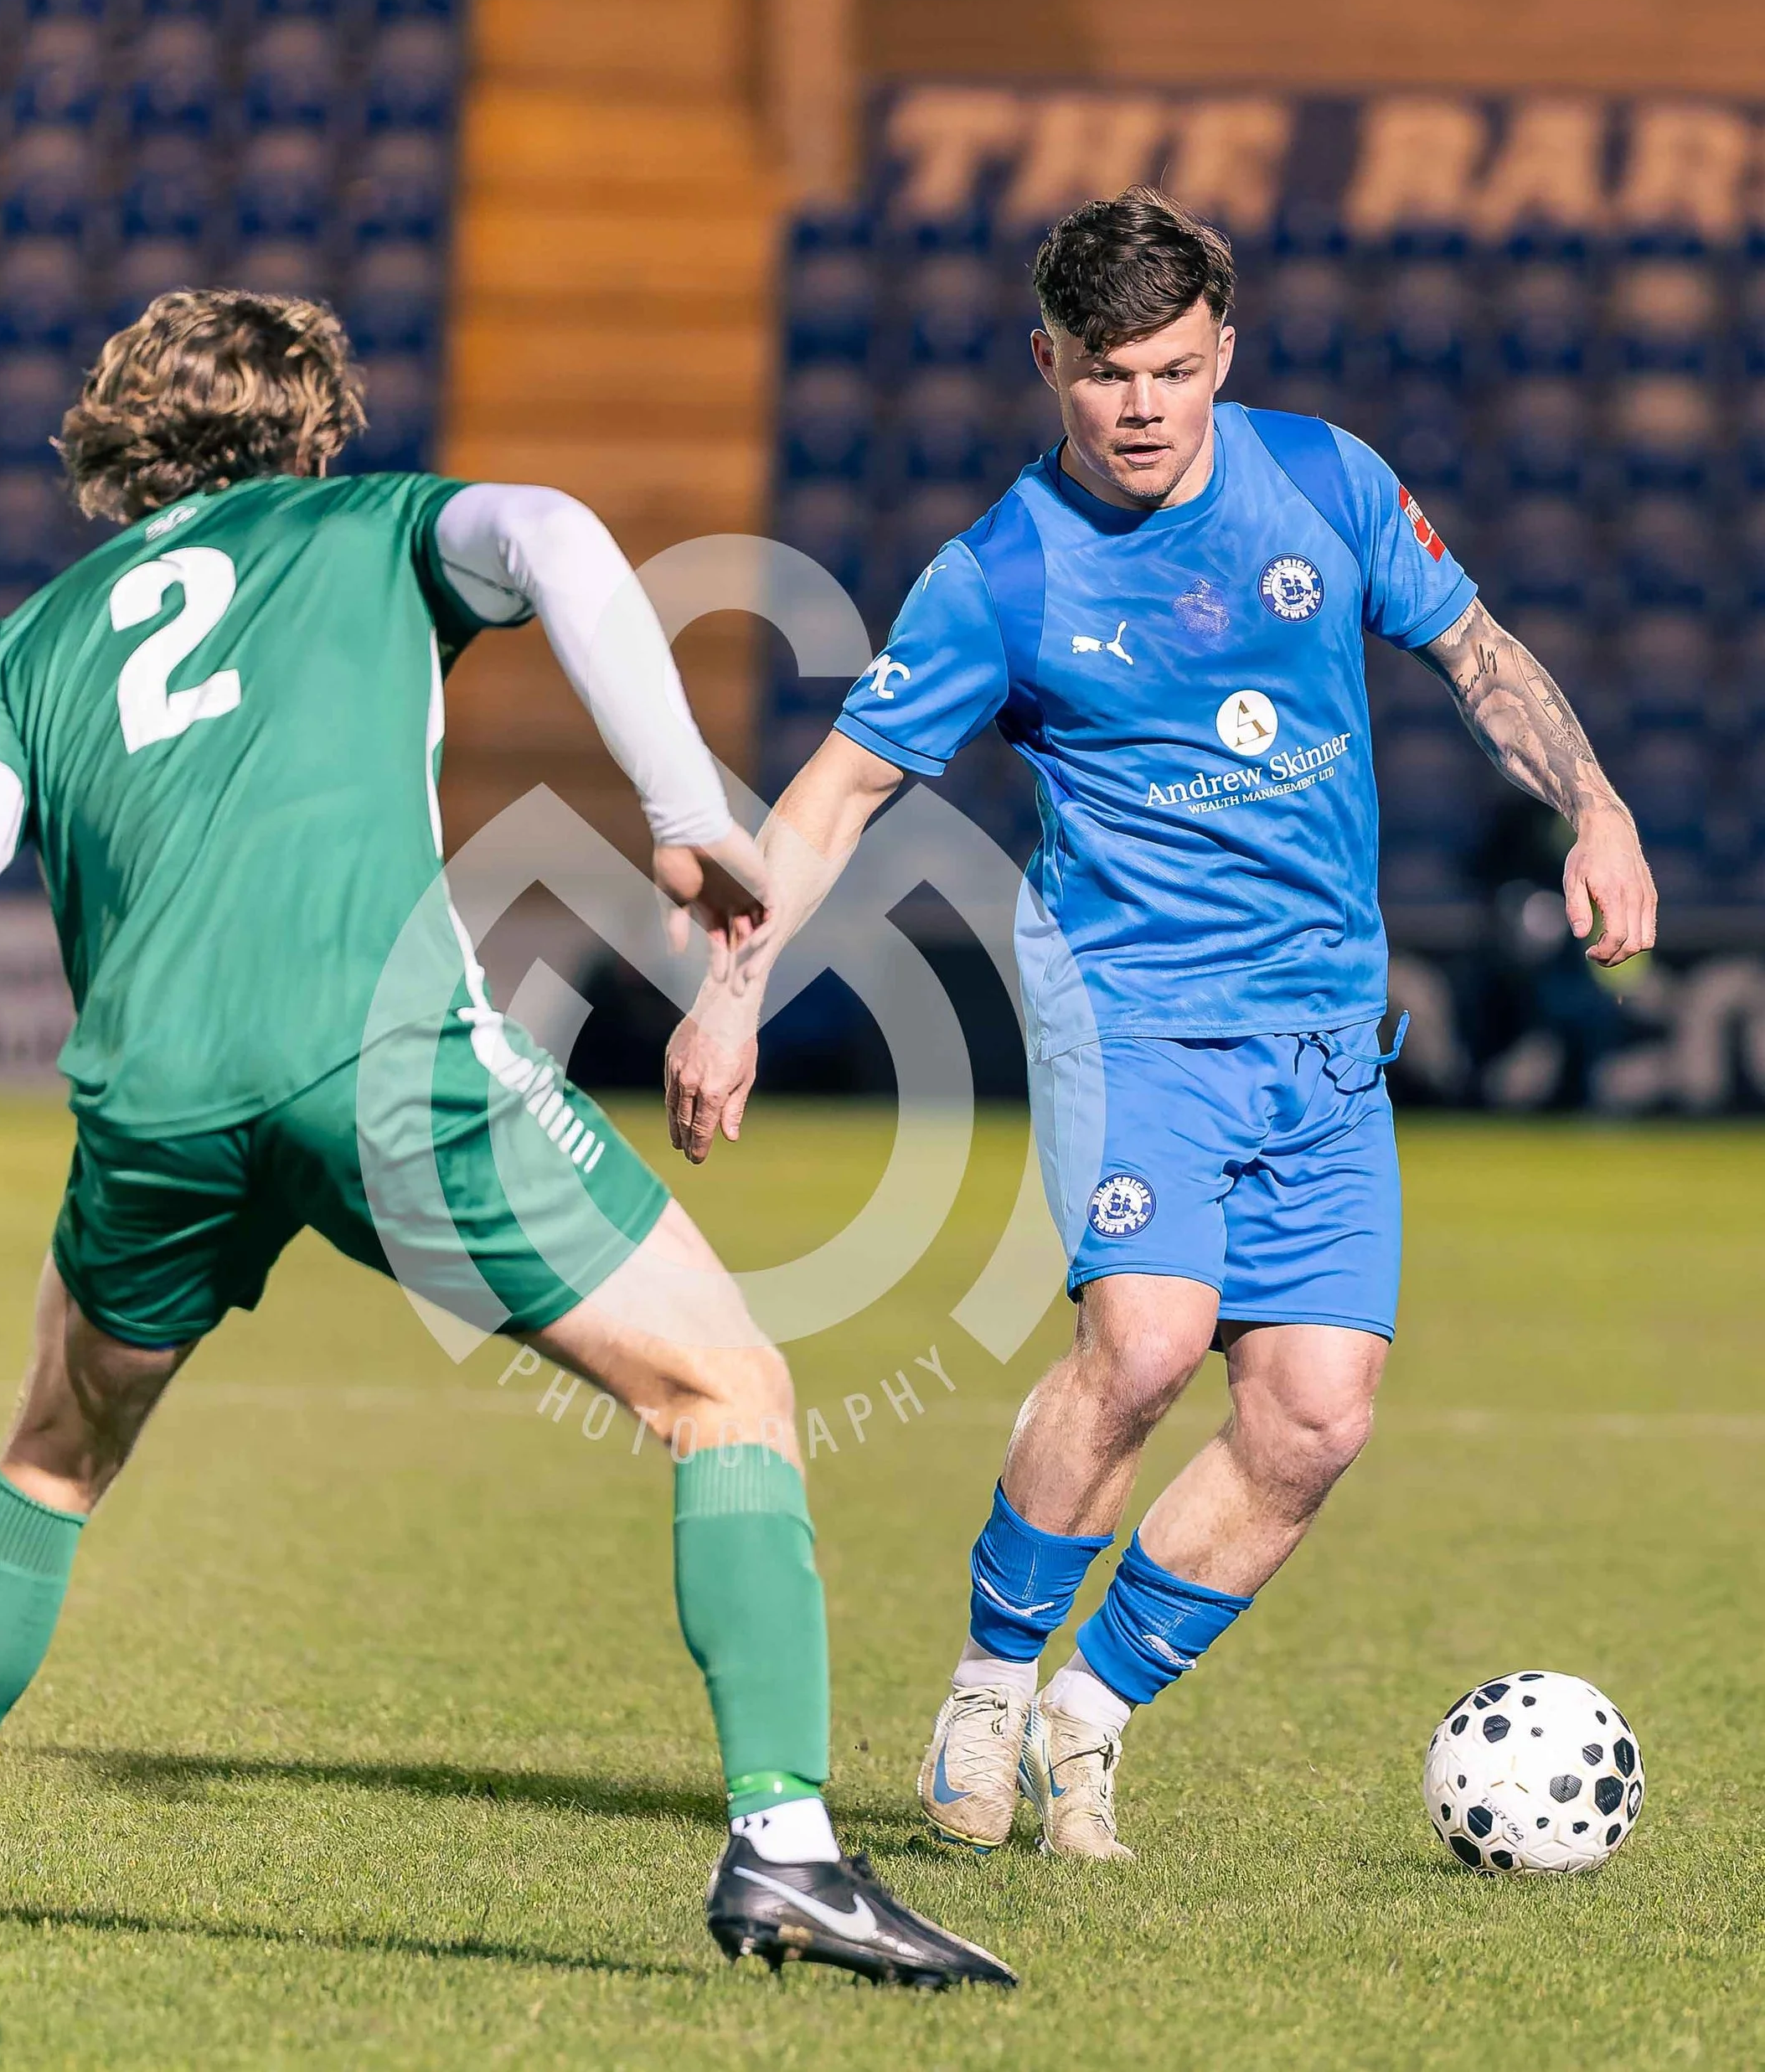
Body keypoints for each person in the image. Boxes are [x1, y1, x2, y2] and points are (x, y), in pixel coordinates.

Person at [0, 289, 1014, 1987]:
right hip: (377, 1060)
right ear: (306, 432)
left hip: (156, 1101)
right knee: (729, 1389)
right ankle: (783, 1851)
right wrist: (674, 808)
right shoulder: (370, 523)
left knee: (54, 1449)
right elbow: (563, 534)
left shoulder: (26, 645)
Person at [663, 189, 1656, 1863]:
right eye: (1106, 372)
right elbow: (834, 794)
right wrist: (730, 990)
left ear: (1225, 356)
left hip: (1321, 1032)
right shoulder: (999, 572)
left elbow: (1475, 652)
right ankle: (986, 1681)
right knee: (1137, 1344)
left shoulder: (1324, 482)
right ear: (1047, 358)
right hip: (1127, 1006)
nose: (1140, 407)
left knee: (1312, 1412)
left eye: (1175, 370)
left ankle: (1086, 1712)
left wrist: (1597, 805)